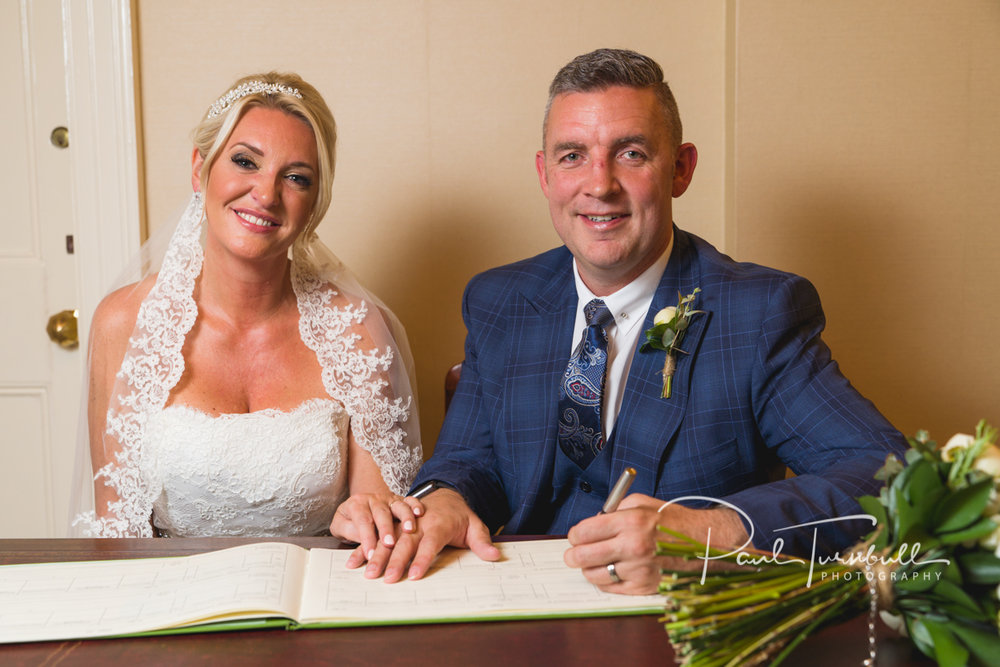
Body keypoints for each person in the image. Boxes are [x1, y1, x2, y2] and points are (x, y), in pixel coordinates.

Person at [331, 48, 907, 594]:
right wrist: (448, 499)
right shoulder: (500, 299)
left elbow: (887, 474)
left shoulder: (759, 312)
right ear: (545, 175)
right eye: (573, 155)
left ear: (680, 169)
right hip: (515, 615)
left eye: (631, 153)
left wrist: (716, 533)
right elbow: (470, 460)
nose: (599, 184)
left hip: (669, 625)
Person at [72, 72, 424, 538]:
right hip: (176, 602)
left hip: (316, 602)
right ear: (199, 169)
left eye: (296, 177)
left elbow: (379, 529)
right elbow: (118, 530)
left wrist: (366, 522)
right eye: (245, 162)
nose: (266, 194)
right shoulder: (125, 324)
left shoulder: (358, 333)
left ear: (315, 201)